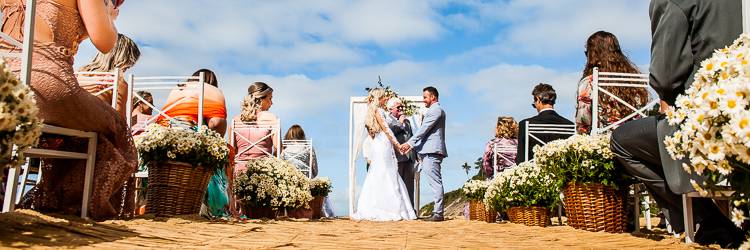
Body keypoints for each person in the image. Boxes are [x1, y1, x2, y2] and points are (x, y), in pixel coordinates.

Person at [610, 0, 745, 247]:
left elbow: (665, 75)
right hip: (740, 115)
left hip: (709, 117)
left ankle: (710, 220)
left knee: (622, 141)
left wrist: (665, 94)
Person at [0, 0, 136, 220]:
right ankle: (81, 207)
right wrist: (109, 15)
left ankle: (56, 199)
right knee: (116, 126)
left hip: (5, 84)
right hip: (48, 87)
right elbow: (106, 42)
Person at [352, 88, 417, 221]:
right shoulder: (378, 111)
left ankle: (386, 205)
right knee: (386, 173)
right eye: (383, 97)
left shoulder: (374, 112)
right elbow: (387, 130)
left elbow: (375, 133)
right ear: (379, 98)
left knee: (385, 173)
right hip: (383, 145)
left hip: (381, 144)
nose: (385, 99)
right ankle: (389, 209)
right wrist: (398, 145)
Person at [575, 31, 649, 134]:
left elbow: (583, 123)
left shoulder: (590, 82)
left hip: (605, 144)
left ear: (592, 55)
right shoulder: (635, 82)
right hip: (635, 142)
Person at [400, 86, 447, 222]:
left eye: (425, 97)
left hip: (432, 151)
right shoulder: (434, 111)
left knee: (435, 182)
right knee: (434, 181)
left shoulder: (436, 110)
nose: (423, 100)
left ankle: (438, 213)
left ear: (433, 97)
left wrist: (409, 143)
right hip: (428, 151)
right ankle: (437, 211)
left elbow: (423, 130)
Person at [78, 33, 140, 119]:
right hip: (93, 129)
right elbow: (119, 120)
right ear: (123, 59)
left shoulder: (78, 75)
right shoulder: (117, 82)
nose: (129, 67)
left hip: (64, 124)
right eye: (130, 62)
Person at [280, 124, 334, 217]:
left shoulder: (284, 149)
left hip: (288, 181)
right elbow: (315, 170)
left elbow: (281, 168)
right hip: (306, 180)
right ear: (302, 135)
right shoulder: (308, 147)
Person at [155, 69, 227, 135]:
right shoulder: (213, 90)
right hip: (191, 133)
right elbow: (215, 123)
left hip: (162, 132)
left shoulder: (177, 88)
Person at [515, 83, 574, 164]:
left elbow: (520, 160)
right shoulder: (570, 125)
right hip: (562, 174)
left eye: (534, 104)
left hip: (535, 174)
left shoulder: (525, 124)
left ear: (538, 100)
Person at [231, 82, 279, 174]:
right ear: (261, 99)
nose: (272, 103)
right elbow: (278, 149)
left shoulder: (235, 120)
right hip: (264, 172)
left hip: (239, 172)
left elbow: (232, 150)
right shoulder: (272, 118)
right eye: (270, 98)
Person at [385, 97, 417, 210]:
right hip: (397, 158)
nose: (401, 109)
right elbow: (389, 134)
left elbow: (412, 138)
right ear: (391, 109)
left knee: (409, 186)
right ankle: (398, 210)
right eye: (398, 107)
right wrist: (400, 122)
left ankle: (410, 210)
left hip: (409, 158)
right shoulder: (387, 120)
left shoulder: (407, 121)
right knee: (397, 186)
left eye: (402, 106)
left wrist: (416, 155)